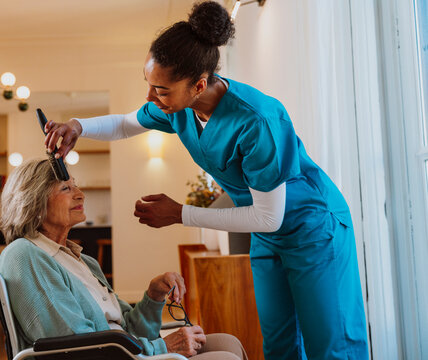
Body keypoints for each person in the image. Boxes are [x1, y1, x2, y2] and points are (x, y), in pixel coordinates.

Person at [43, 1, 369, 359]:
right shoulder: (179, 108)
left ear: (198, 84)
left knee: (331, 346)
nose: (151, 97)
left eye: (161, 90)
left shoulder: (257, 121)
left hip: (311, 228)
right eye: (149, 84)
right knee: (280, 345)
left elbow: (269, 216)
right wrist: (77, 126)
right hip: (268, 235)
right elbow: (125, 123)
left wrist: (180, 213)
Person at [0, 158, 248, 360]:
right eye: (66, 188)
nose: (80, 194)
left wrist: (153, 296)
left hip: (122, 351)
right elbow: (73, 347)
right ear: (34, 202)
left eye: (76, 185)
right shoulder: (25, 255)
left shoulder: (82, 260)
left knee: (229, 342)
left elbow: (128, 328)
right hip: (106, 356)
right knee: (226, 356)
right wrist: (163, 348)